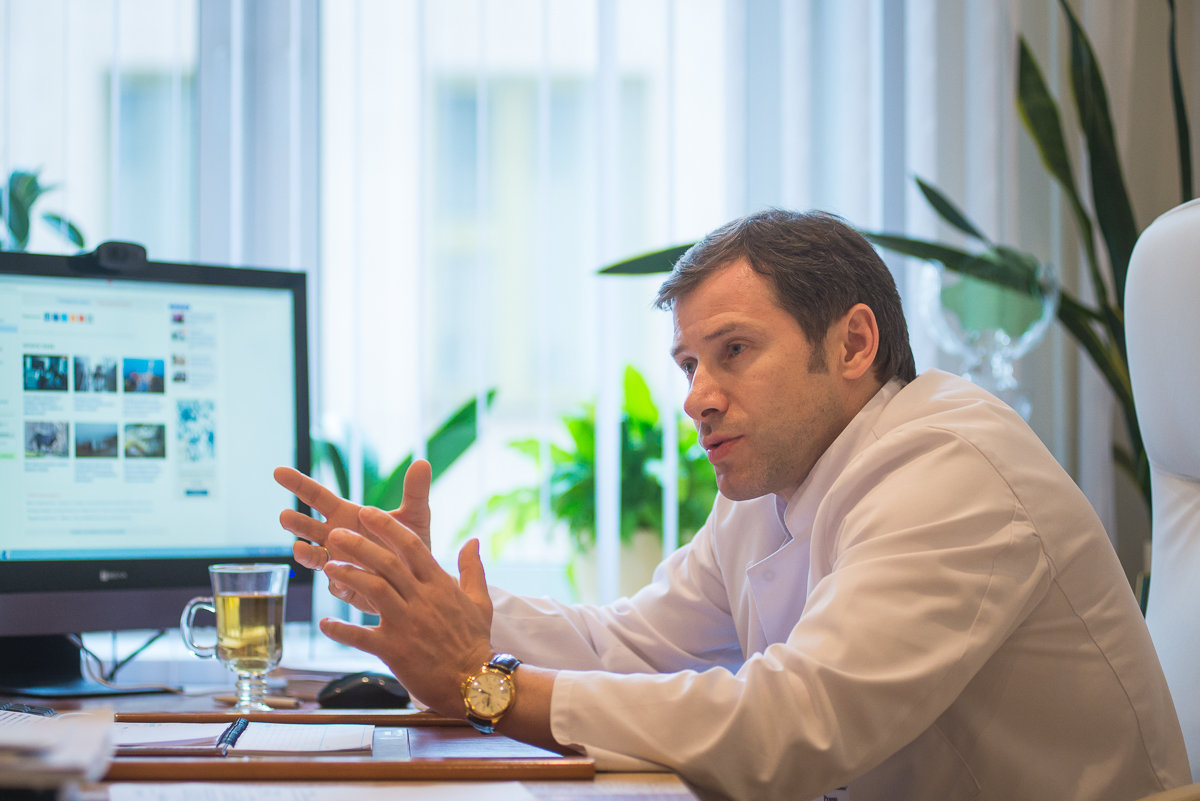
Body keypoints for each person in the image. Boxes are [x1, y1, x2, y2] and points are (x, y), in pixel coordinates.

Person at [276, 209, 1190, 801]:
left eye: (734, 352)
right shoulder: (773, 481)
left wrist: (490, 686)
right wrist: (433, 600)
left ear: (854, 343)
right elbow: (628, 644)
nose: (697, 398)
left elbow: (791, 725)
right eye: (689, 365)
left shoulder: (953, 465)